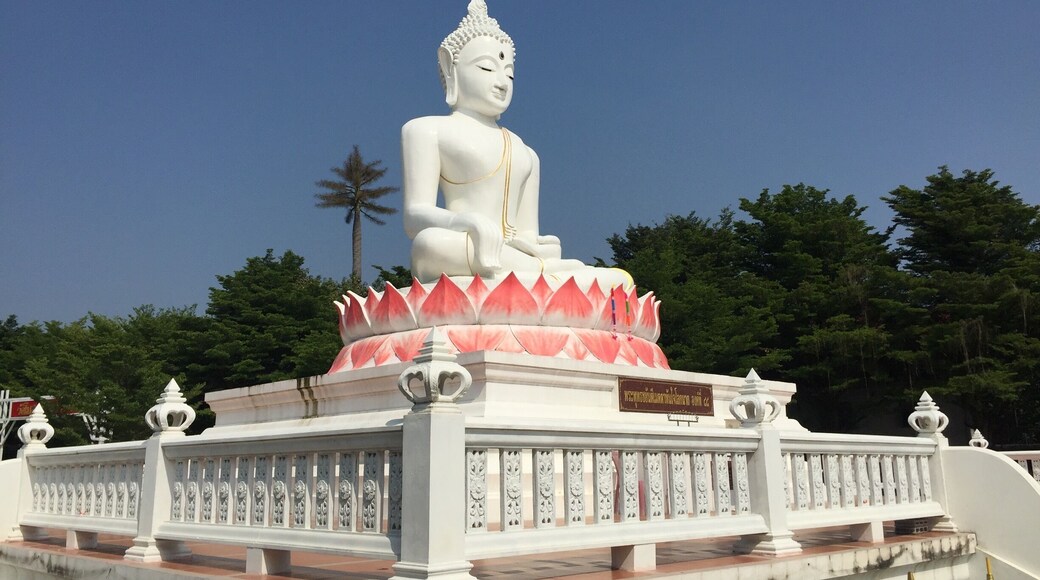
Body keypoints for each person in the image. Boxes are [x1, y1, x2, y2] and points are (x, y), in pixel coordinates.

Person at [401, 0, 632, 290]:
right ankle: (548, 279)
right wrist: (469, 222)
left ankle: (538, 275)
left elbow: (525, 234)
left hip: (508, 256)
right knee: (429, 244)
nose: (502, 82)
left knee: (619, 279)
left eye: (509, 72)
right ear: (450, 67)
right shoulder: (426, 129)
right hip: (462, 246)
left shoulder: (526, 153)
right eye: (487, 68)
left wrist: (538, 245)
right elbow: (414, 217)